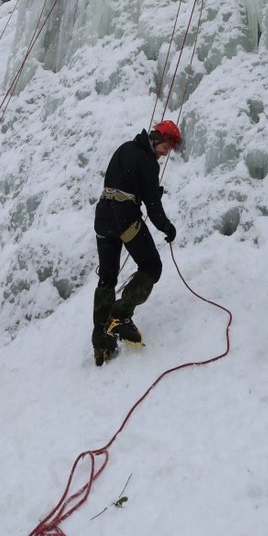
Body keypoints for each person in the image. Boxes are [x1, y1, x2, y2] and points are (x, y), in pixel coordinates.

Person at [91, 121, 182, 366]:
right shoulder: (147, 161)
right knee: (152, 266)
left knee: (107, 278)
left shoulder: (124, 149)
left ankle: (102, 345)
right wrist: (167, 227)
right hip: (124, 218)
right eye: (166, 145)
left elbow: (123, 181)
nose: (166, 152)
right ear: (156, 138)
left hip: (103, 218)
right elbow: (153, 206)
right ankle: (119, 316)